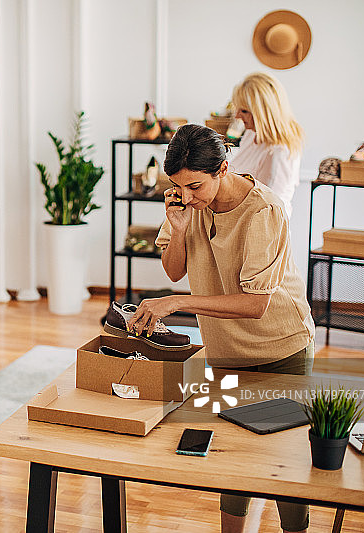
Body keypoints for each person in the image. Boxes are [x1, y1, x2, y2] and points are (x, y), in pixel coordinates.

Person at [127, 124, 314, 533]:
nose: (186, 196)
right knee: (231, 459)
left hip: (281, 347)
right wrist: (179, 229)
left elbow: (256, 304)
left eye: (195, 186)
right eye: (177, 186)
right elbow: (174, 271)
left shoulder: (264, 210)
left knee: (284, 463)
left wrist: (177, 303)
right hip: (226, 349)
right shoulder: (185, 204)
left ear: (223, 169)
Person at [229, 72, 304, 217]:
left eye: (244, 111)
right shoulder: (251, 134)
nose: (237, 116)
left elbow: (270, 207)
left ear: (264, 112)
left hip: (263, 225)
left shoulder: (280, 152)